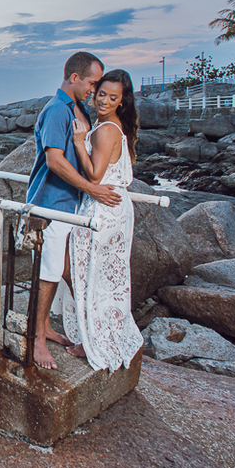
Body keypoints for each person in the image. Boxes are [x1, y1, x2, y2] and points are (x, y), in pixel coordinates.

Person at [24, 52, 121, 369]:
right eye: (92, 83)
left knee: (65, 271)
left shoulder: (79, 111)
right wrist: (92, 189)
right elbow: (54, 160)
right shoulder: (56, 111)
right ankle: (36, 339)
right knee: (49, 272)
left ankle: (48, 328)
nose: (95, 90)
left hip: (74, 206)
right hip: (53, 204)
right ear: (74, 77)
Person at [61, 69, 143, 371]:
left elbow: (94, 175)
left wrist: (81, 142)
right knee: (100, 275)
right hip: (112, 206)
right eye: (102, 94)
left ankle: (94, 340)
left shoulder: (107, 129)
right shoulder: (110, 125)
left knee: (86, 272)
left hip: (102, 207)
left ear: (122, 101)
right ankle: (95, 335)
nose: (104, 101)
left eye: (113, 97)